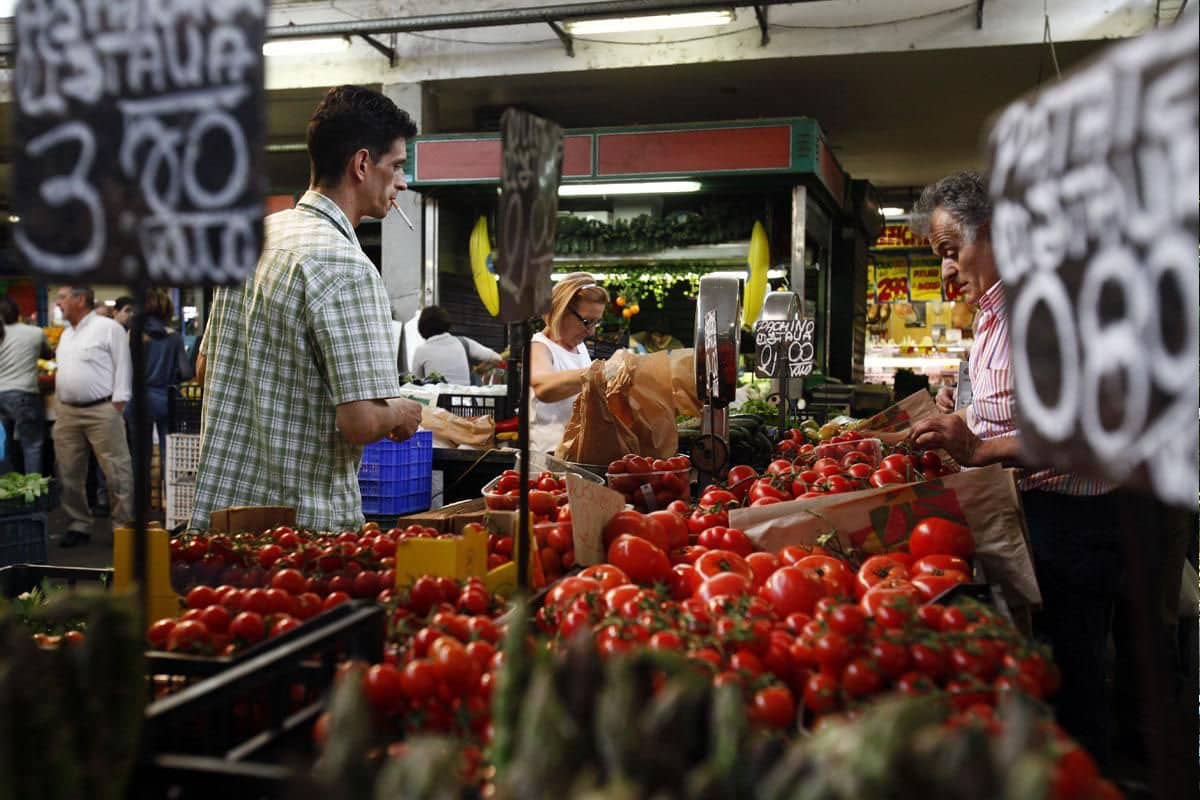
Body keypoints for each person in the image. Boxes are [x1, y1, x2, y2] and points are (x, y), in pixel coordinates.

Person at [905, 172, 1119, 764]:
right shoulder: (997, 314)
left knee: (1073, 680)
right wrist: (964, 413)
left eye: (951, 251)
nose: (946, 271)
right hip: (1036, 512)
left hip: (1072, 521)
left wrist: (977, 451)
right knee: (1045, 672)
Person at [190, 85, 423, 531]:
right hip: (300, 534)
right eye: (395, 166)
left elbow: (205, 368)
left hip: (221, 522)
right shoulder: (346, 266)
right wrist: (400, 411)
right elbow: (360, 421)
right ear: (361, 164)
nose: (402, 182)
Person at [52, 285, 135, 547]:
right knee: (68, 471)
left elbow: (124, 363)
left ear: (80, 299)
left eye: (63, 297)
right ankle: (78, 523)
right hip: (67, 411)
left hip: (102, 410)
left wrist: (119, 401)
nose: (58, 302)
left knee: (116, 470)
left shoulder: (108, 328)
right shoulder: (66, 335)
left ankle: (123, 525)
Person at [529, 273, 609, 454]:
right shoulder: (539, 348)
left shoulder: (580, 349)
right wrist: (600, 372)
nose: (591, 332)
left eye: (597, 323)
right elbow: (543, 387)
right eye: (587, 322)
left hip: (578, 454)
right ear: (561, 310)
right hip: (549, 459)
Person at [126, 289, 194, 479]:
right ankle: (169, 501)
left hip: (138, 400)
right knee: (169, 454)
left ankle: (143, 503)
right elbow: (187, 372)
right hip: (166, 399)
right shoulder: (174, 337)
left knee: (140, 456)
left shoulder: (133, 334)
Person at [0, 297, 51, 475]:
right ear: (18, 313)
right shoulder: (34, 332)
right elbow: (48, 354)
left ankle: (8, 493)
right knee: (32, 446)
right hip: (24, 395)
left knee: (4, 444)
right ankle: (32, 495)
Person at [410, 305, 502, 385]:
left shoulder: (421, 351)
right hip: (465, 403)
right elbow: (497, 358)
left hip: (436, 403)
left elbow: (416, 384)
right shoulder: (464, 343)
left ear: (422, 327)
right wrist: (478, 371)